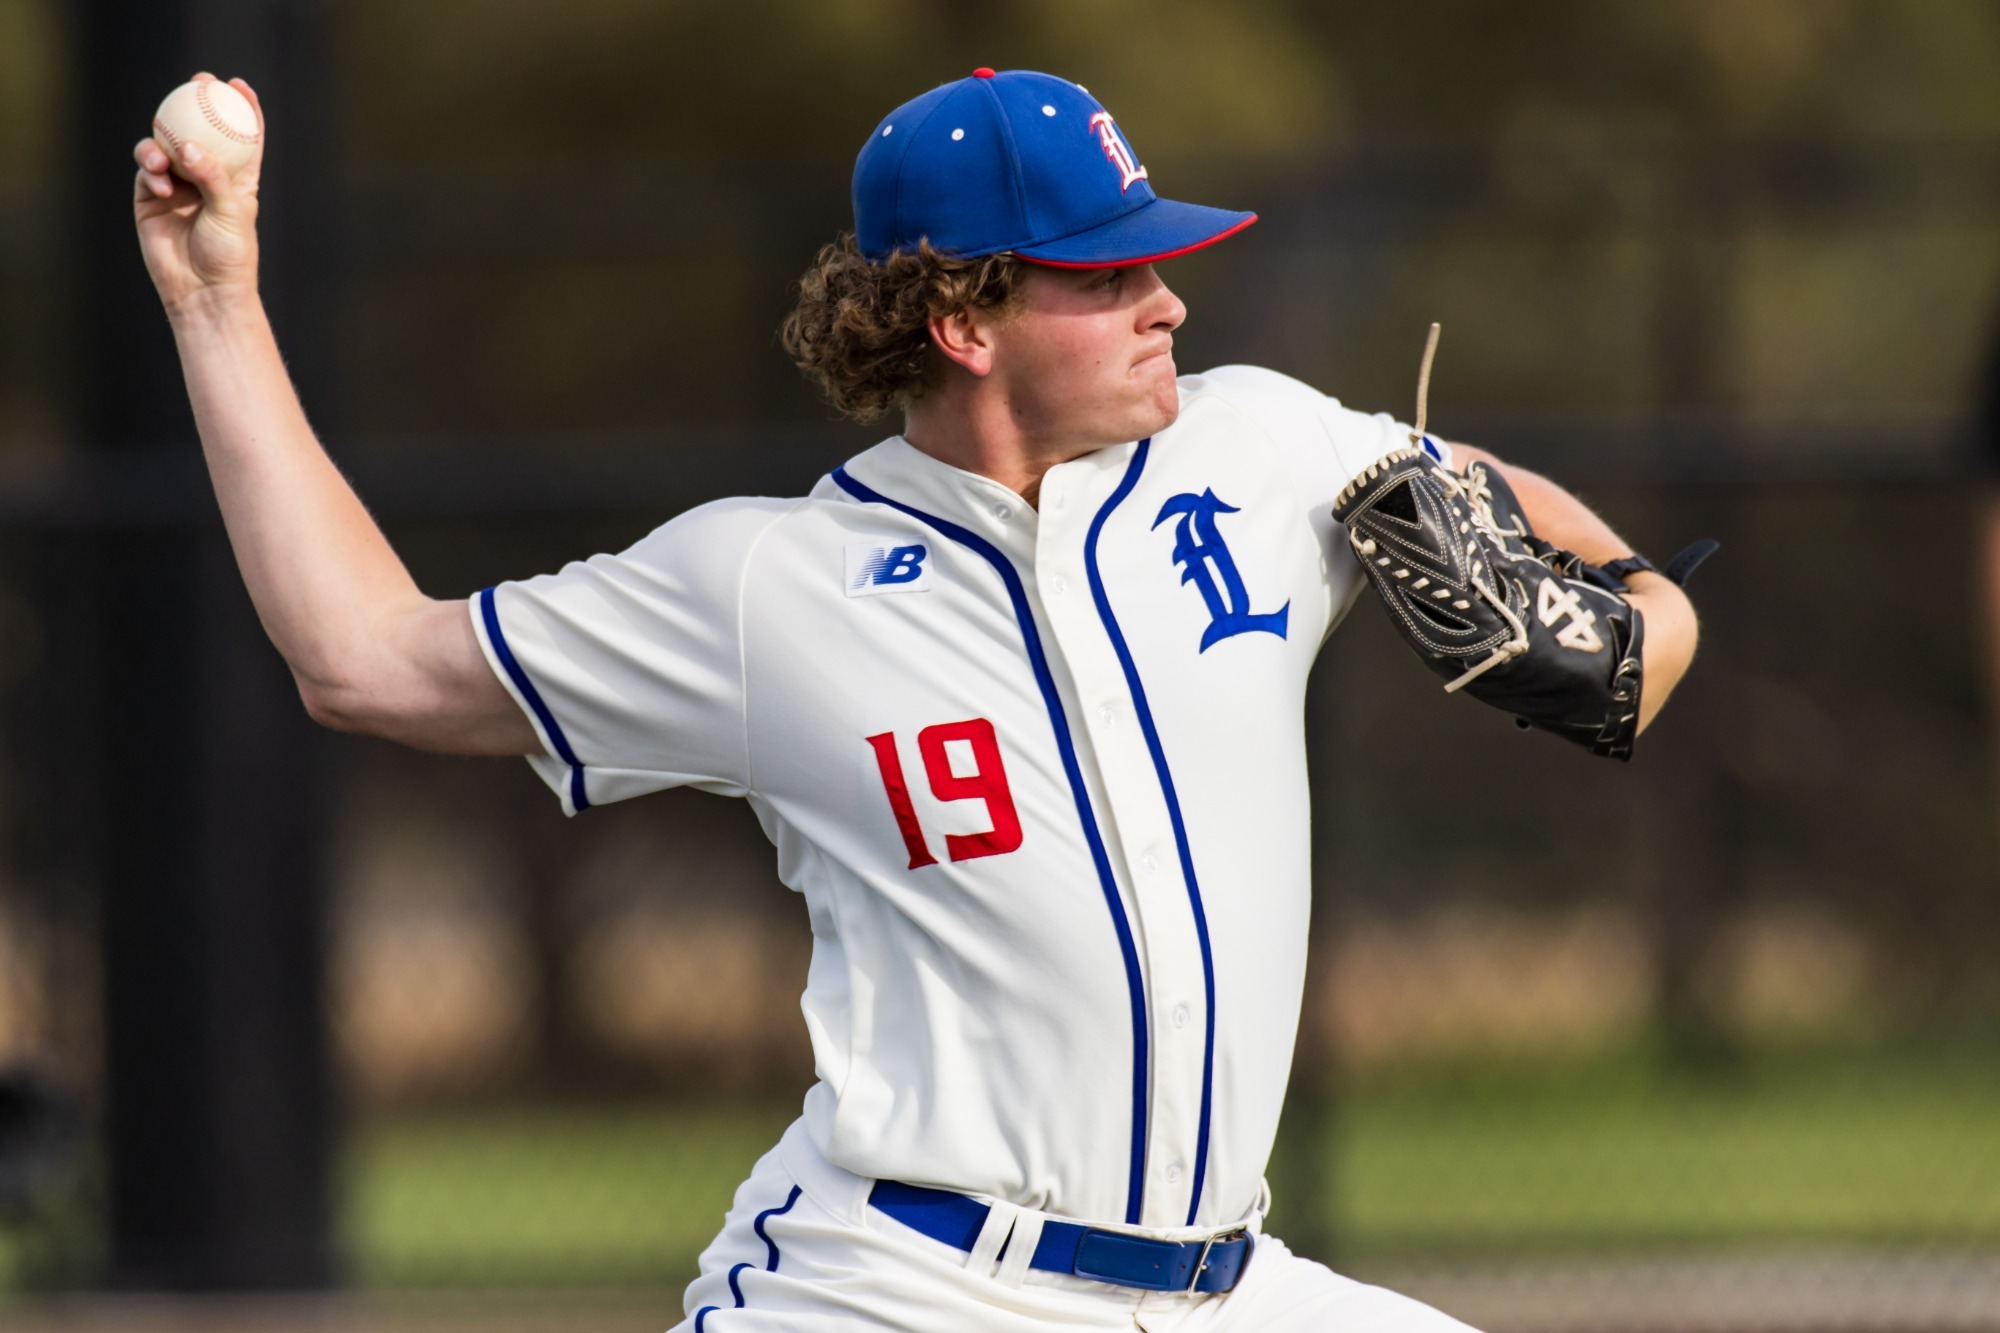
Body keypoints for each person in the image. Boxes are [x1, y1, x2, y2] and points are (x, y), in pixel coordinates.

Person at [134, 67, 1697, 1333]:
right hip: (905, 1287)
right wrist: (218, 301)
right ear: (965, 319)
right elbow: (366, 656)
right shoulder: (769, 589)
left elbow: (1475, 489)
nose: (1168, 300)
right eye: (1110, 269)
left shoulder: (1256, 449)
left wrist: (1638, 589)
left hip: (1229, 1285)